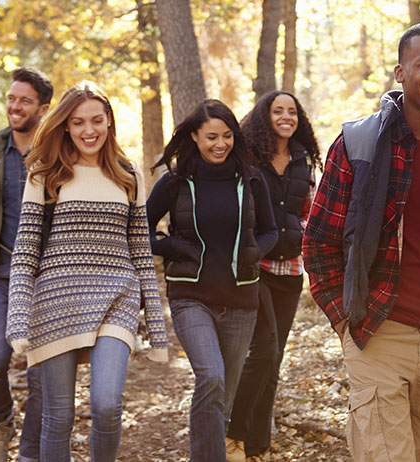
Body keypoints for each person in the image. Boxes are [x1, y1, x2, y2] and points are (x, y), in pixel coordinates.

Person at [302, 23, 420, 462]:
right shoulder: (358, 144)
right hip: (378, 334)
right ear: (400, 72)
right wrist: (343, 321)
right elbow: (318, 241)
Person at [5, 80, 169, 462]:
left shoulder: (129, 175)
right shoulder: (45, 175)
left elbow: (140, 252)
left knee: (107, 404)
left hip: (117, 299)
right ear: (66, 125)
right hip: (56, 302)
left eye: (96, 120)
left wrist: (157, 329)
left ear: (109, 120)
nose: (88, 130)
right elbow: (25, 252)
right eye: (78, 122)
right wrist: (18, 317)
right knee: (58, 416)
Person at [146, 98, 278, 461]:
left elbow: (270, 231)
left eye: (227, 136)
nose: (221, 144)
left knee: (223, 396)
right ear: (194, 136)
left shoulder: (251, 179)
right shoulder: (175, 182)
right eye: (211, 137)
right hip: (191, 297)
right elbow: (139, 230)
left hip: (241, 299)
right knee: (212, 378)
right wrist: (172, 246)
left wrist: (254, 251)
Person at [226, 91, 320, 461]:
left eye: (292, 111)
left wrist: (302, 237)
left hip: (291, 270)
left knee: (274, 359)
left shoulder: (303, 160)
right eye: (277, 111)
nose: (286, 117)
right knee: (264, 350)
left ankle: (257, 446)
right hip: (258, 268)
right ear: (264, 117)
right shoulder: (249, 158)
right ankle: (232, 434)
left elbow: (310, 211)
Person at [0, 67, 52, 462]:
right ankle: (2, 423)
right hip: (3, 275)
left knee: (41, 373)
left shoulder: (57, 152)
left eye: (24, 101)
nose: (14, 106)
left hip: (48, 277)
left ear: (43, 109)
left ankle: (32, 451)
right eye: (11, 98)